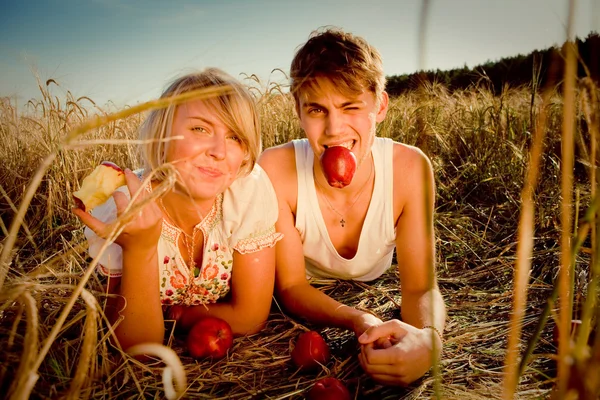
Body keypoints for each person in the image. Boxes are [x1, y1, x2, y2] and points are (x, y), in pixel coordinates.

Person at [258, 27, 446, 386]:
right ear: (298, 112)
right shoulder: (275, 169)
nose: (333, 129)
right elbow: (292, 286)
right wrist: (361, 320)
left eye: (350, 107)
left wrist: (429, 340)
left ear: (380, 107)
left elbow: (421, 286)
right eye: (316, 109)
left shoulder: (410, 169)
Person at [73, 68, 282, 351]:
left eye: (235, 137)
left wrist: (182, 317)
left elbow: (250, 317)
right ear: (161, 138)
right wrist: (140, 250)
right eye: (200, 129)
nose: (219, 150)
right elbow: (137, 349)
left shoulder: (247, 191)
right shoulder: (126, 208)